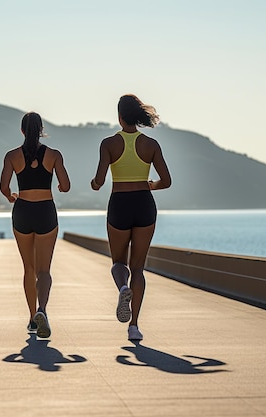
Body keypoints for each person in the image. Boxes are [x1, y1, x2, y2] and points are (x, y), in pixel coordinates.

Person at [90, 94, 171, 341]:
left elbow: (99, 181)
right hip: (144, 205)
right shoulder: (151, 145)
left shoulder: (108, 144)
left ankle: (123, 288)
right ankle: (134, 326)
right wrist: (149, 185)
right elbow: (166, 181)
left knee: (118, 263)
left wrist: (94, 183)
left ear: (119, 116)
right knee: (138, 268)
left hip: (120, 204)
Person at [0, 112, 71, 338]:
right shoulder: (54, 155)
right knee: (44, 270)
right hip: (45, 211)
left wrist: (12, 197)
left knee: (28, 269)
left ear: (22, 131)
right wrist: (58, 186)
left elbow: (3, 187)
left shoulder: (11, 156)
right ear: (41, 130)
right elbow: (66, 186)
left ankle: (32, 319)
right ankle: (43, 310)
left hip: (22, 211)